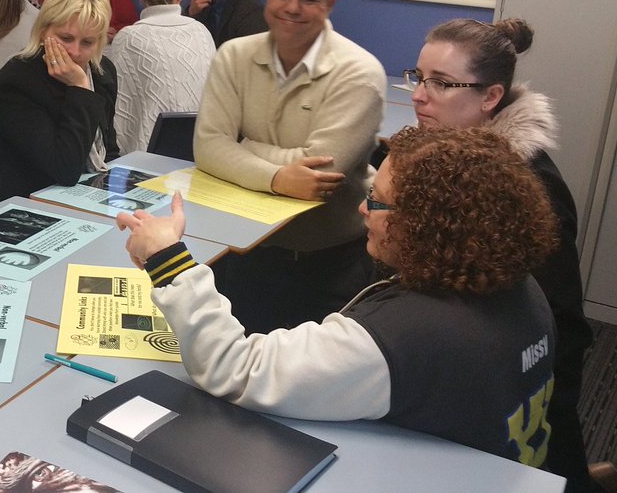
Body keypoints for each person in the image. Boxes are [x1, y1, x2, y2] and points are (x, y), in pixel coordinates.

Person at [116, 126, 558, 465]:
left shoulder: (401, 338)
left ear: (429, 226)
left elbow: (236, 368)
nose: (365, 209)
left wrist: (167, 261)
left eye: (380, 202)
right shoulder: (520, 286)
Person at [405, 17, 594, 491]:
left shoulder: (529, 190)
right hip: (447, 360)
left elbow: (561, 328)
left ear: (490, 97)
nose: (418, 95)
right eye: (419, 77)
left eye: (442, 84)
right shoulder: (446, 162)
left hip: (511, 411)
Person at [194, 0, 386, 333]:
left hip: (329, 263)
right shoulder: (233, 56)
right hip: (245, 254)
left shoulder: (359, 73)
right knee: (235, 368)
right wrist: (279, 176)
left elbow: (323, 171)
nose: (291, 8)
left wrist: (240, 149)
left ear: (331, 1)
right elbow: (207, 146)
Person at [0, 0, 119, 212]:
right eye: (65, 38)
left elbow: (109, 151)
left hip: (77, 201)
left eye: (87, 42)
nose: (75, 52)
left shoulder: (102, 72)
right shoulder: (19, 79)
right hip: (13, 209)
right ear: (43, 30)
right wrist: (79, 87)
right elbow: (65, 169)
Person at [106, 0, 215, 153]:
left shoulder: (129, 38)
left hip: (148, 153)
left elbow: (118, 110)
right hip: (200, 150)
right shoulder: (202, 32)